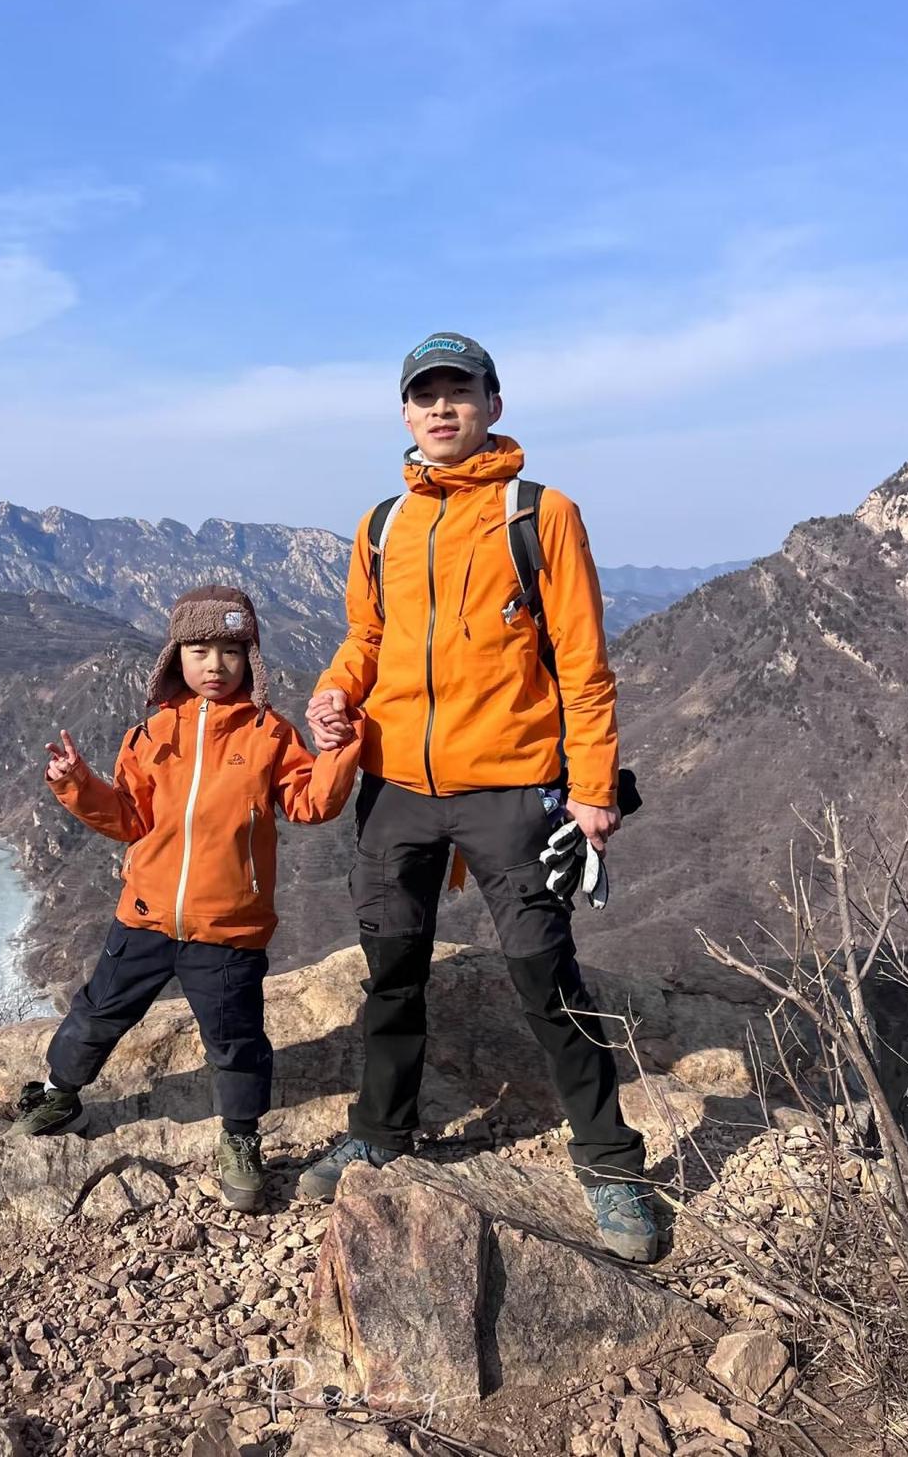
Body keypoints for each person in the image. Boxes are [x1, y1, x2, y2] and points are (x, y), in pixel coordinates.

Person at [298, 333, 656, 1262]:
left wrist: (592, 789)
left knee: (545, 972)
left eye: (460, 392)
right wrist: (335, 690)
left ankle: (611, 1162)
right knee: (391, 968)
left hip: (511, 787)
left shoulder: (539, 513)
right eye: (426, 395)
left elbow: (583, 663)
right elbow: (366, 637)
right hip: (397, 788)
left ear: (494, 405)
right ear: (405, 413)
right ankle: (381, 1130)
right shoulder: (383, 524)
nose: (442, 408)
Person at [13, 585, 362, 1212]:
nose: (214, 665)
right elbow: (128, 818)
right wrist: (77, 784)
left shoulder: (270, 734)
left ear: (251, 659)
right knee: (98, 1012)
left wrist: (337, 752)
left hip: (229, 927)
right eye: (199, 650)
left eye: (230, 651)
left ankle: (241, 1138)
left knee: (235, 1040)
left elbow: (312, 803)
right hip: (145, 916)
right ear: (176, 657)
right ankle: (60, 1095)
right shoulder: (150, 734)